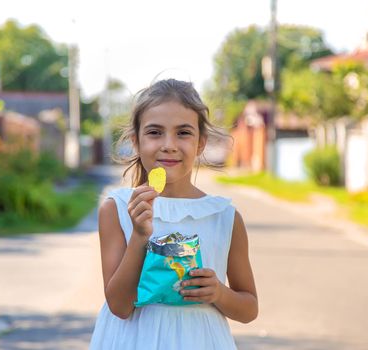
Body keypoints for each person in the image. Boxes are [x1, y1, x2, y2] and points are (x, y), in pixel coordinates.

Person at [89, 79, 258, 349]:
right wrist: (139, 237)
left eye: (183, 133)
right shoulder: (117, 208)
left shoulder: (224, 216)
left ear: (201, 143)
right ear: (136, 141)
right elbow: (120, 307)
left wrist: (219, 293)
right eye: (155, 132)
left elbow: (249, 308)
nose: (169, 144)